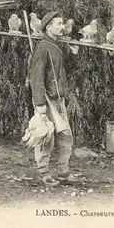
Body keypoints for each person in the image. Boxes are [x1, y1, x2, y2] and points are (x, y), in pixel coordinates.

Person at [28, 11, 84, 186]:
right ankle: (44, 173)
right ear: (48, 26)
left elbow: (62, 72)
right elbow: (36, 78)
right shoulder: (42, 48)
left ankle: (63, 172)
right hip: (46, 99)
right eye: (58, 24)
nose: (62, 27)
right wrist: (39, 105)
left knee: (66, 136)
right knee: (46, 137)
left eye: (62, 24)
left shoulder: (56, 47)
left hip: (58, 99)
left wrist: (74, 55)